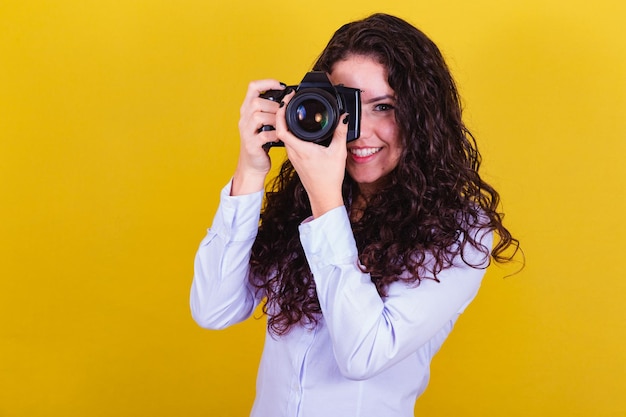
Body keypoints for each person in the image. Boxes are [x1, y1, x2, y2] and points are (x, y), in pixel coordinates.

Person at [190, 13, 519, 417]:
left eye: (384, 106)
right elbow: (213, 309)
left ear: (422, 116)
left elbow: (363, 354)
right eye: (346, 106)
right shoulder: (299, 201)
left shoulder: (459, 230)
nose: (360, 132)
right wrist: (250, 170)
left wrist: (325, 201)